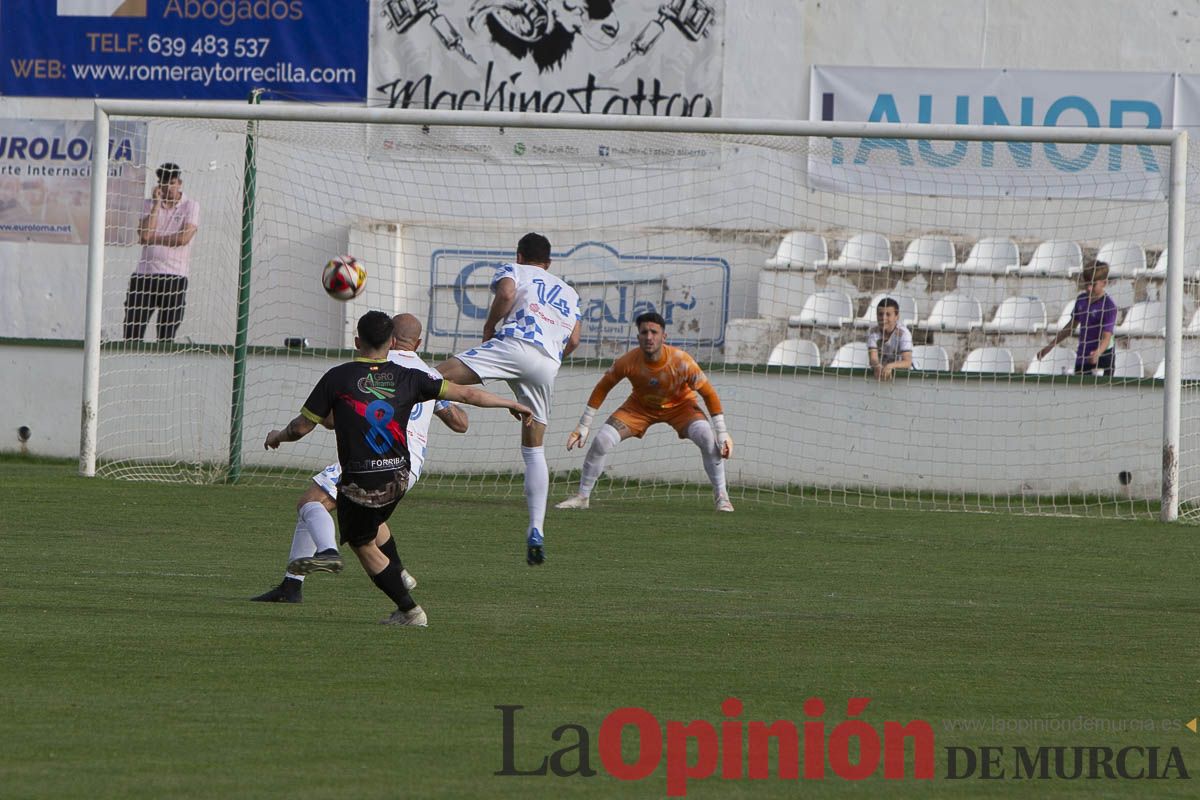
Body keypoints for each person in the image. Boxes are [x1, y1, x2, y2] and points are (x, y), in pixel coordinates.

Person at [264, 310, 533, 627]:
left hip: (364, 463)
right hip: (403, 470)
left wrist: (282, 435)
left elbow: (307, 426)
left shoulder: (343, 376)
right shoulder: (421, 375)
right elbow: (464, 411)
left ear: (359, 341)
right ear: (412, 342)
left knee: (317, 507)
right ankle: (387, 574)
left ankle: (343, 565)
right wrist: (511, 403)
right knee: (370, 520)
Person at [252, 313, 468, 604]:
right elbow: (460, 424)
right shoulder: (428, 375)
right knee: (369, 517)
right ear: (418, 342)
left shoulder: (373, 372)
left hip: (373, 455)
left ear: (389, 338)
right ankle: (397, 572)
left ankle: (311, 570)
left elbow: (328, 421)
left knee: (312, 502)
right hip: (410, 466)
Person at [436, 233, 581, 566]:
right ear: (549, 262)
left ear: (519, 255)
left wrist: (490, 325)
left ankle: (443, 406)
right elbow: (574, 338)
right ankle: (536, 528)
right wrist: (554, 356)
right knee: (534, 450)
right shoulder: (570, 293)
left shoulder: (515, 270)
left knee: (429, 377)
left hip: (513, 345)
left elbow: (505, 293)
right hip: (547, 365)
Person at [555, 311, 735, 512]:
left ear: (663, 337)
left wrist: (722, 432)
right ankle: (582, 497)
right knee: (601, 440)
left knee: (706, 437)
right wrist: (584, 425)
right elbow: (602, 388)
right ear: (638, 336)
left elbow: (709, 394)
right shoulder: (628, 361)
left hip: (681, 407)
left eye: (654, 332)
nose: (649, 337)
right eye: (644, 332)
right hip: (639, 409)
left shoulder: (682, 361)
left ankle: (722, 496)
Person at [123, 162, 200, 343]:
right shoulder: (149, 204)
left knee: (166, 336)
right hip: (145, 276)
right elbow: (143, 235)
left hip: (174, 277)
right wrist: (156, 205)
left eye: (172, 183)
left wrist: (154, 239)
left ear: (179, 183)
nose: (168, 188)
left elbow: (183, 239)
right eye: (164, 183)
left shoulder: (190, 206)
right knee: (132, 331)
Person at [1037, 261, 1118, 375]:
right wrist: (1049, 346)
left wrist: (1098, 353)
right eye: (1086, 284)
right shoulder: (1081, 300)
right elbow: (1070, 328)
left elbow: (1107, 337)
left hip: (1103, 359)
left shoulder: (1109, 306)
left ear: (1104, 283)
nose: (1089, 288)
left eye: (1093, 284)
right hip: (1083, 357)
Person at [866, 297, 913, 381]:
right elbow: (873, 358)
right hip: (882, 373)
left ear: (897, 317)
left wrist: (890, 366)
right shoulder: (873, 332)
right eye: (880, 314)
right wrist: (877, 365)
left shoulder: (903, 334)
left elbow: (907, 362)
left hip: (903, 377)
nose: (883, 318)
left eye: (888, 314)